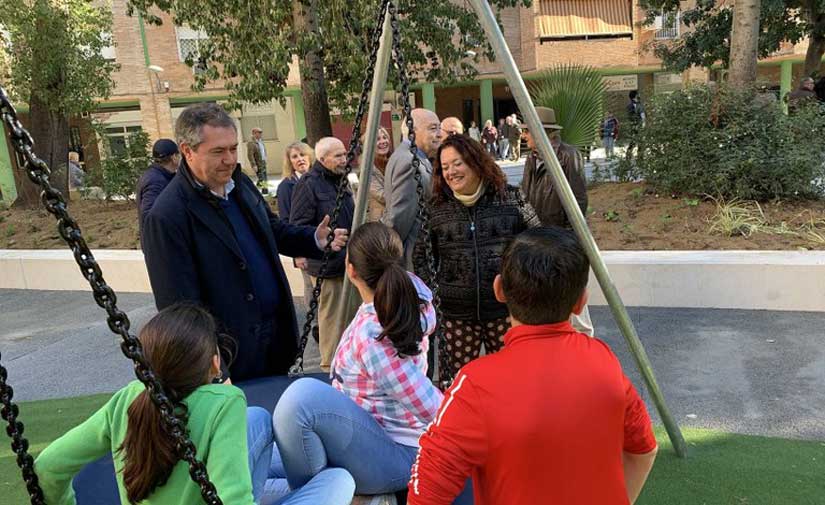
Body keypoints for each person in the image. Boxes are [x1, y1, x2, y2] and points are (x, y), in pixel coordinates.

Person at [408, 227, 658, 505]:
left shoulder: (476, 383)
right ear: (580, 302)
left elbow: (425, 493)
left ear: (499, 289)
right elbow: (644, 450)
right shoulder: (605, 361)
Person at [34, 304, 356, 505]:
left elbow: (48, 466)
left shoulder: (129, 398)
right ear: (215, 364)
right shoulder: (223, 403)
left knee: (257, 419)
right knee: (339, 480)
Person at [142, 103, 348, 382]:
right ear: (187, 151)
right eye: (218, 151)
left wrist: (313, 238)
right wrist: (214, 370)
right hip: (229, 362)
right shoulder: (167, 216)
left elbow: (271, 230)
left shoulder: (239, 185)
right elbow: (179, 311)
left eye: (233, 148)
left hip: (275, 344)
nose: (229, 159)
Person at [273, 223, 472, 504]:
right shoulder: (407, 295)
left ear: (350, 269)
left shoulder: (376, 336)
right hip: (372, 434)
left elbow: (429, 405)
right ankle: (332, 493)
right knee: (271, 451)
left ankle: (332, 496)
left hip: (398, 453)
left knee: (300, 399)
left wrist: (474, 443)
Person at [414, 134, 540, 381]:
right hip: (456, 315)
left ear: (475, 161)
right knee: (458, 383)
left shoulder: (510, 198)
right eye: (445, 167)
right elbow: (422, 258)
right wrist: (435, 296)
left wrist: (521, 290)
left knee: (513, 379)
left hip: (505, 311)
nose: (451, 172)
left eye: (457, 163)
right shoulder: (437, 208)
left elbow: (536, 243)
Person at [520, 107, 594, 336]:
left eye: (528, 131)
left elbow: (578, 201)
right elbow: (525, 196)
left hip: (563, 238)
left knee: (573, 296)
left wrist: (570, 239)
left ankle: (584, 343)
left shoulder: (568, 156)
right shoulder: (532, 159)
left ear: (542, 132)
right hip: (540, 238)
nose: (524, 136)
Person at [290, 137, 360, 371]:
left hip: (349, 264)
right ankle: (329, 370)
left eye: (345, 154)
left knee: (352, 322)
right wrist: (323, 239)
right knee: (332, 324)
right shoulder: (308, 185)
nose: (344, 159)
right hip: (328, 269)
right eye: (338, 156)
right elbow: (298, 226)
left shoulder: (341, 180)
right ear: (322, 159)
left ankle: (349, 368)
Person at [382, 108, 441, 269]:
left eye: (439, 128)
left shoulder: (411, 156)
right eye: (433, 128)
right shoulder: (410, 162)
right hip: (414, 256)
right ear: (412, 131)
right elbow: (399, 218)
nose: (439, 134)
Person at [137, 139, 180, 236]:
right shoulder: (156, 180)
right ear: (174, 157)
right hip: (161, 243)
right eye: (179, 155)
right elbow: (149, 215)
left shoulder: (162, 175)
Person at [360, 126, 394, 222]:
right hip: (381, 218)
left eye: (385, 137)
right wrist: (404, 196)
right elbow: (381, 195)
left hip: (397, 213)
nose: (383, 141)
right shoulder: (367, 168)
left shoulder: (393, 160)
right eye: (377, 139)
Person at [277, 141, 313, 223]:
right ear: (290, 162)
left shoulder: (320, 180)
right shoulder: (286, 186)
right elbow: (285, 218)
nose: (300, 159)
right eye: (294, 157)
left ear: (309, 157)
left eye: (302, 155)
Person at [247, 127, 269, 194]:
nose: (260, 134)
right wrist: (254, 165)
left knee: (264, 178)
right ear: (254, 133)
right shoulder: (251, 143)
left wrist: (265, 158)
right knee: (262, 179)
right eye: (259, 132)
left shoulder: (261, 142)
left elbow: (263, 151)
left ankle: (255, 189)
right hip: (258, 163)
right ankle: (265, 192)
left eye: (261, 132)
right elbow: (250, 155)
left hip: (263, 162)